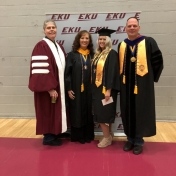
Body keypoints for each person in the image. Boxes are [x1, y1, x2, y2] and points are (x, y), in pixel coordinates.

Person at [117, 17, 163, 154]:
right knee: (127, 110)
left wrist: (149, 80)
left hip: (142, 85)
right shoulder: (122, 45)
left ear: (139, 27)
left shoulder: (148, 42)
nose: (132, 28)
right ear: (125, 28)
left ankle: (138, 141)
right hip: (126, 86)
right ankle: (130, 139)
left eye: (134, 26)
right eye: (129, 26)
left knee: (141, 111)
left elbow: (158, 61)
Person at [28, 19, 67, 146]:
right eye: (49, 28)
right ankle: (48, 137)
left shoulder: (58, 46)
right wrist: (50, 88)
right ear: (44, 30)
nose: (51, 30)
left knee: (55, 109)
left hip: (58, 86)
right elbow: (41, 70)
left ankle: (56, 131)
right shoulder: (41, 45)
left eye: (53, 27)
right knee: (46, 110)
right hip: (48, 88)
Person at [91, 28, 120, 148]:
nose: (102, 41)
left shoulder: (112, 54)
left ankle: (107, 138)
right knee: (104, 114)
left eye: (104, 39)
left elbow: (112, 72)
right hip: (97, 89)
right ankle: (109, 134)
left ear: (108, 40)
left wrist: (108, 90)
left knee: (103, 115)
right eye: (100, 39)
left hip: (106, 90)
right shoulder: (98, 54)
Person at [64, 30, 94, 144]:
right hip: (76, 89)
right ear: (78, 40)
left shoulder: (92, 55)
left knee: (88, 111)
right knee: (77, 111)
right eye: (82, 38)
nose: (84, 40)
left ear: (89, 41)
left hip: (89, 90)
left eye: (87, 38)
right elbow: (67, 73)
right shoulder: (72, 55)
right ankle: (79, 136)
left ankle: (88, 135)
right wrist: (68, 88)